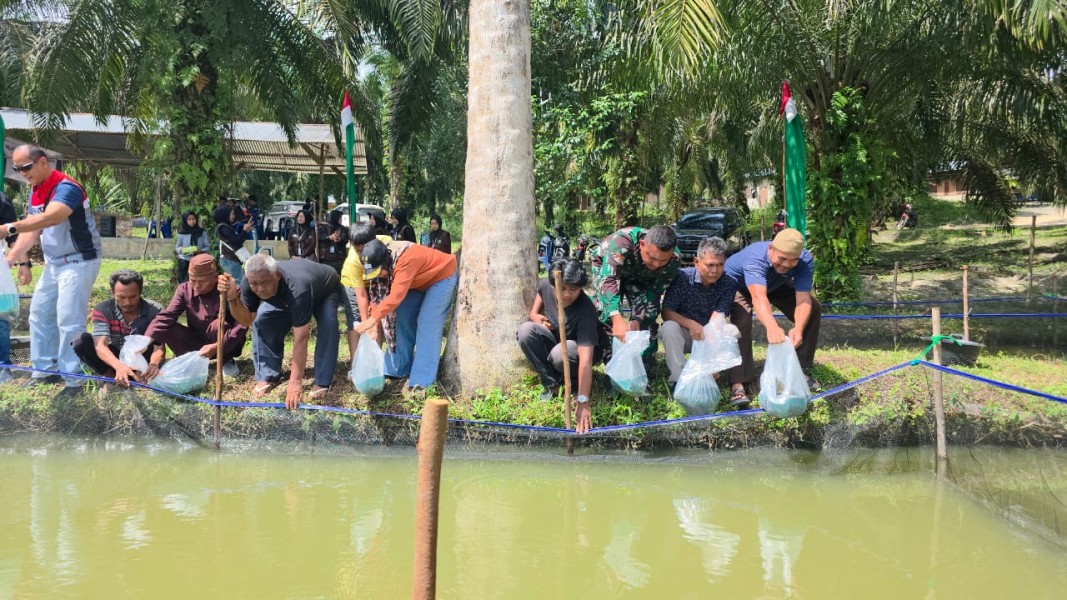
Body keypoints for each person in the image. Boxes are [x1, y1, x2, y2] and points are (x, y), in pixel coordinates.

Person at [2, 144, 103, 389]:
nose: (23, 173)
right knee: (39, 314)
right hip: (54, 263)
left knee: (68, 319)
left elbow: (52, 217)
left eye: (26, 167)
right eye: (17, 169)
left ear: (43, 162)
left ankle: (74, 379)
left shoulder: (67, 187)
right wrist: (11, 258)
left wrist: (8, 228)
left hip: (79, 261)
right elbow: (34, 228)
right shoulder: (36, 190)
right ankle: (45, 371)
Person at [219, 254, 341, 408]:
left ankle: (322, 380)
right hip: (284, 297)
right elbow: (246, 320)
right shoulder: (249, 282)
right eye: (254, 284)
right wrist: (232, 298)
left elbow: (301, 338)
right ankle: (268, 375)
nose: (260, 289)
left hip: (324, 290)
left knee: (328, 325)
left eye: (264, 282)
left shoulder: (297, 287)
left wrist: (295, 382)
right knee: (262, 320)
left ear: (277, 275)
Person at [724, 228, 822, 406]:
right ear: (771, 248)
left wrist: (799, 328)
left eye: (793, 261)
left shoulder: (804, 260)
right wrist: (772, 326)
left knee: (813, 308)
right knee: (742, 323)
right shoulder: (756, 258)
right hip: (739, 286)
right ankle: (738, 382)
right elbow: (758, 297)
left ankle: (797, 369)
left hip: (775, 284)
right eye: (782, 258)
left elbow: (803, 298)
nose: (786, 264)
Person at [517, 258, 609, 434]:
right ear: (553, 285)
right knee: (525, 331)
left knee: (561, 354)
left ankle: (575, 385)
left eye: (573, 290)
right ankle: (553, 385)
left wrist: (583, 401)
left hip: (578, 351)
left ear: (581, 288)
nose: (566, 294)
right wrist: (537, 318)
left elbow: (586, 359)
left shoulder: (586, 310)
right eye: (562, 288)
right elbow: (534, 312)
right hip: (558, 340)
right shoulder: (546, 285)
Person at [354, 239, 457, 391]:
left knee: (427, 323)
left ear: (386, 260)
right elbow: (378, 294)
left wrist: (373, 319)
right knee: (401, 317)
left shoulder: (405, 259)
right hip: (417, 281)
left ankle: (421, 382)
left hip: (441, 277)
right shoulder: (380, 258)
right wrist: (374, 322)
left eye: (378, 271)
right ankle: (397, 367)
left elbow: (395, 297)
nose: (379, 275)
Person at [145, 254, 248, 377]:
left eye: (202, 282)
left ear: (215, 278)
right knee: (169, 327)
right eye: (193, 280)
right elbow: (167, 316)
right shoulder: (184, 289)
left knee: (218, 324)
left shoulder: (228, 290)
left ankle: (226, 361)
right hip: (196, 344)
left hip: (225, 343)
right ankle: (188, 362)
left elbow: (242, 325)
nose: (196, 286)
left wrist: (217, 346)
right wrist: (145, 339)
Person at [590, 225, 680, 359]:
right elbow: (609, 279)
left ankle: (644, 357)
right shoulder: (622, 242)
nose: (656, 264)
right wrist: (616, 317)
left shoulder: (674, 259)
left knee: (650, 312)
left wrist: (638, 318)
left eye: (663, 261)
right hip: (608, 268)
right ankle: (609, 355)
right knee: (605, 310)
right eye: (652, 257)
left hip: (642, 276)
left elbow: (655, 290)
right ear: (642, 244)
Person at [660, 237, 737, 389]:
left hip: (710, 336)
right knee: (669, 327)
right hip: (686, 334)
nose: (715, 270)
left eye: (720, 265)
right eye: (710, 265)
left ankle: (710, 372)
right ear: (696, 261)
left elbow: (719, 316)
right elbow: (667, 312)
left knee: (730, 330)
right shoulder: (681, 278)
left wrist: (712, 361)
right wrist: (691, 324)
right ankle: (678, 378)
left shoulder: (729, 283)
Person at [72, 270, 164, 387]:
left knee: (141, 324)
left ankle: (141, 378)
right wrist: (119, 366)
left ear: (140, 292)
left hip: (143, 359)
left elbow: (159, 346)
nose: (127, 302)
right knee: (80, 341)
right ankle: (111, 379)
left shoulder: (155, 310)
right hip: (116, 358)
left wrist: (154, 364)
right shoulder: (103, 309)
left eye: (133, 297)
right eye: (121, 297)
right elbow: (101, 345)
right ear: (112, 292)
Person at [317, 209, 358, 356]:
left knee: (340, 283)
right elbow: (319, 238)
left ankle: (341, 300)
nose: (340, 220)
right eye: (338, 217)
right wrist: (329, 237)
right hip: (326, 260)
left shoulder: (343, 229)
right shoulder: (322, 227)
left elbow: (346, 238)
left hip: (339, 260)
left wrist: (338, 238)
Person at [0, 192, 18, 383]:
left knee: (0, 319)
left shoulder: (0, 200)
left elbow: (14, 236)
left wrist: (24, 263)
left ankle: (3, 367)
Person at [214, 204, 252, 284]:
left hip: (231, 259)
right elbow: (236, 241)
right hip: (229, 259)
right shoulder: (223, 228)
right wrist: (244, 231)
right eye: (232, 214)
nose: (234, 216)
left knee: (239, 281)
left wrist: (245, 231)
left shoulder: (226, 226)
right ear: (225, 215)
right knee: (240, 282)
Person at [175, 211, 210, 283]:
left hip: (199, 261)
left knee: (197, 281)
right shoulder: (181, 234)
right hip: (184, 261)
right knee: (184, 282)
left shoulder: (202, 232)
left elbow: (208, 248)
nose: (192, 221)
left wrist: (200, 251)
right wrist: (181, 249)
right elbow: (177, 248)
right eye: (189, 219)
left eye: (193, 219)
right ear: (185, 221)